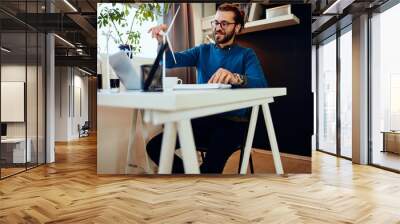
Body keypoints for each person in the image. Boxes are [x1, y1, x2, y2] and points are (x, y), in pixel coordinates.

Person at [146, 3, 267, 173]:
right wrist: (161, 42)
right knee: (154, 147)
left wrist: (235, 77)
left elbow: (262, 85)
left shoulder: (246, 55)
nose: (218, 28)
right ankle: (191, 175)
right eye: (216, 23)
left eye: (224, 23)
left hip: (232, 124)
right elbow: (168, 61)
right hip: (203, 120)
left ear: (237, 27)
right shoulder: (202, 51)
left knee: (210, 169)